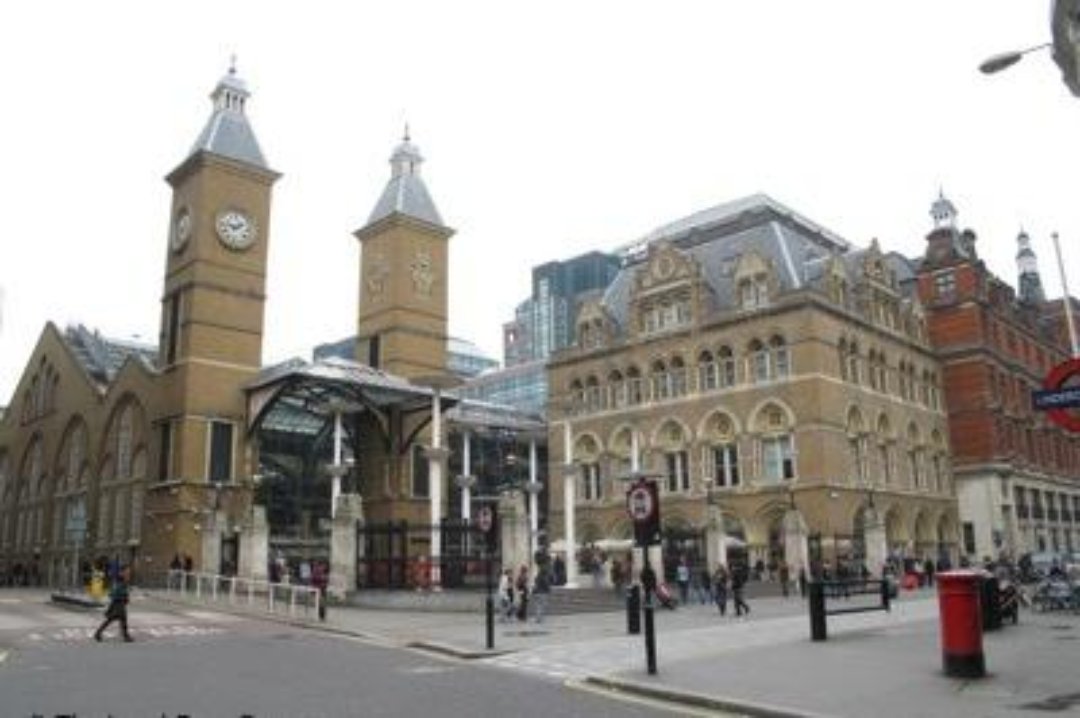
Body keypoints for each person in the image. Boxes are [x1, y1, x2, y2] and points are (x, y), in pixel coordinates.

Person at [94, 565, 133, 643]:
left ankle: (125, 636)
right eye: (127, 571)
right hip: (118, 603)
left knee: (121, 619)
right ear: (122, 572)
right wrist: (124, 594)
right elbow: (115, 592)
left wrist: (126, 595)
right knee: (114, 619)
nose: (128, 573)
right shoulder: (119, 580)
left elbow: (117, 591)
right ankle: (98, 633)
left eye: (129, 572)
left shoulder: (122, 580)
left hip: (120, 602)